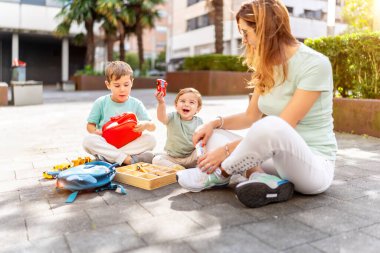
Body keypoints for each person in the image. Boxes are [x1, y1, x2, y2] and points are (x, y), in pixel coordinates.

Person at [176, 0, 337, 208]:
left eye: (246, 33)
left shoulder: (315, 64)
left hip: (313, 167)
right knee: (213, 135)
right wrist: (213, 123)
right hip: (276, 162)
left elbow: (285, 125)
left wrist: (226, 151)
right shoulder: (265, 65)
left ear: (265, 30)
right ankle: (264, 180)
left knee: (271, 125)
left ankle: (220, 173)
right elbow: (250, 117)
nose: (243, 41)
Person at [83, 61, 156, 165]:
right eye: (117, 86)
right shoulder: (101, 102)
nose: (122, 89)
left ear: (132, 83)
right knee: (88, 141)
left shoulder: (136, 103)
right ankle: (128, 159)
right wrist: (95, 132)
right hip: (107, 142)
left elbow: (152, 127)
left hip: (127, 143)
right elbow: (90, 126)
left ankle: (109, 157)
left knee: (151, 140)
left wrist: (146, 125)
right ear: (108, 85)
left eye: (126, 85)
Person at [152, 88, 203, 169]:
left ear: (198, 109)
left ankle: (199, 167)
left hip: (191, 157)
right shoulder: (172, 117)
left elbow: (202, 140)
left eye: (191, 102)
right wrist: (161, 102)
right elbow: (161, 118)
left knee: (203, 149)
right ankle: (176, 168)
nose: (186, 104)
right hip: (173, 158)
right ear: (176, 105)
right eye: (182, 101)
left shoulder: (199, 122)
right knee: (157, 159)